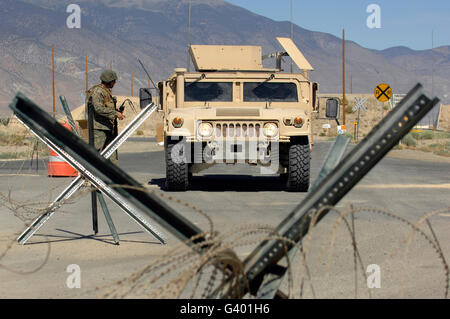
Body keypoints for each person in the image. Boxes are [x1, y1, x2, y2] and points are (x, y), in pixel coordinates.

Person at [85, 70, 125, 165]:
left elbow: (105, 105)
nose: (114, 83)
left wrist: (116, 109)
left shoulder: (105, 91)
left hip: (107, 128)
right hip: (99, 128)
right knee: (97, 155)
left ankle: (114, 176)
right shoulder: (98, 91)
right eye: (114, 81)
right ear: (109, 81)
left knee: (111, 153)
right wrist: (115, 113)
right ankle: (93, 176)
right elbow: (98, 108)